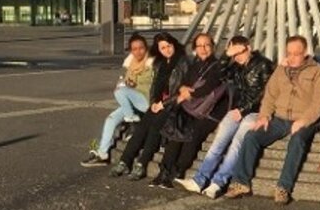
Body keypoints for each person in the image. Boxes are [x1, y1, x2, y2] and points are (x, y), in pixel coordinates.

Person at [225, 35, 320, 205]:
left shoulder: (317, 71)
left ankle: (283, 187)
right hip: (280, 118)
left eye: (296, 54)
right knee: (252, 136)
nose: (292, 57)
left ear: (305, 53)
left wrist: (303, 121)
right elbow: (270, 95)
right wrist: (264, 115)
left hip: (304, 119)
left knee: (297, 140)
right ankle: (241, 183)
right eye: (289, 53)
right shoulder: (281, 70)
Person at [174, 35, 274, 198]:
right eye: (234, 54)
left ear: (248, 48)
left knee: (237, 144)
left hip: (256, 112)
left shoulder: (263, 64)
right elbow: (219, 75)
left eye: (240, 52)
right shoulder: (236, 66)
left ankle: (218, 183)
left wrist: (242, 110)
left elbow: (265, 93)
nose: (237, 57)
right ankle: (199, 181)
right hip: (236, 110)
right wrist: (226, 56)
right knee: (218, 144)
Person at [151, 33, 229, 188]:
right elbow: (183, 84)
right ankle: (164, 171)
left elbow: (208, 87)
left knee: (191, 136)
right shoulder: (195, 65)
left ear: (213, 47)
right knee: (176, 131)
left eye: (207, 45)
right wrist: (185, 89)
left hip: (208, 112)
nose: (203, 49)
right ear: (195, 49)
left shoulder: (217, 66)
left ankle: (177, 171)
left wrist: (189, 92)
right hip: (191, 107)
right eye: (199, 46)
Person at [109, 32, 188, 180]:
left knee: (154, 128)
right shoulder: (160, 64)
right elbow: (154, 87)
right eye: (163, 48)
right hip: (158, 104)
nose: (167, 50)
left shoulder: (183, 63)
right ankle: (125, 161)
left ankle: (141, 164)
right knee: (142, 127)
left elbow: (182, 91)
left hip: (174, 106)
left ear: (174, 44)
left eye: (169, 46)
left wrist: (163, 104)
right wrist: (153, 103)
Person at [81, 33, 154, 167]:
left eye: (141, 48)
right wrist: (127, 83)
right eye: (134, 49)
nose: (138, 52)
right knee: (111, 119)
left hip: (146, 100)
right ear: (131, 51)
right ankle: (102, 154)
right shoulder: (131, 64)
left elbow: (153, 85)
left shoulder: (152, 63)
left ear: (146, 48)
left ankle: (132, 121)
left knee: (120, 91)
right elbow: (125, 81)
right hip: (132, 101)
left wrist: (130, 86)